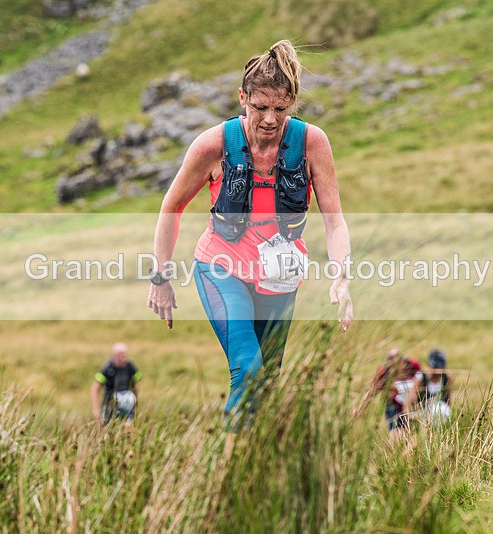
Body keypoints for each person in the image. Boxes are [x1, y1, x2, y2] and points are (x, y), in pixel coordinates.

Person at [147, 40, 353, 424]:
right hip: (222, 268)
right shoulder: (213, 145)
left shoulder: (312, 143)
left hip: (280, 277)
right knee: (248, 368)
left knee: (268, 386)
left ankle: (253, 458)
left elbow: (335, 221)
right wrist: (160, 277)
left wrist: (342, 277)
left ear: (292, 103)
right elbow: (171, 207)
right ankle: (227, 454)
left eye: (280, 109)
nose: (270, 120)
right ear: (242, 97)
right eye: (260, 107)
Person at [353, 348, 425, 440]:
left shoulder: (413, 365)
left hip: (413, 407)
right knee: (396, 437)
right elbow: (372, 391)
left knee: (414, 436)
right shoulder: (384, 373)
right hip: (394, 409)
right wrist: (361, 408)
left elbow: (422, 381)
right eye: (391, 363)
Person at [91, 342, 142, 426]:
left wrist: (136, 403)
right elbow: (95, 388)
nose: (122, 358)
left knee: (128, 426)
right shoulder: (107, 368)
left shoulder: (130, 367)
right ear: (114, 355)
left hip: (126, 403)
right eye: (119, 355)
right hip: (110, 403)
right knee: (107, 427)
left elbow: (136, 384)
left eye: (124, 355)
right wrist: (96, 409)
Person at [422, 348, 451, 426]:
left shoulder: (446, 378)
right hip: (424, 411)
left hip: (442, 411)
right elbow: (410, 402)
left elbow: (448, 399)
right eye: (435, 367)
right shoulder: (421, 379)